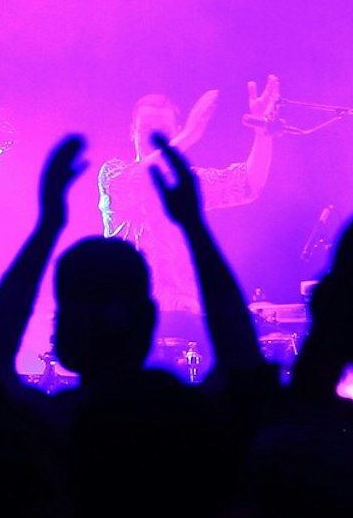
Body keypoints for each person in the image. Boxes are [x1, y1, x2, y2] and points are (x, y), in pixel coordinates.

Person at [96, 78, 280, 374]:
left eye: (163, 131)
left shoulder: (188, 182)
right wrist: (190, 136)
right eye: (145, 130)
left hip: (186, 322)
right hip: (127, 320)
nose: (153, 136)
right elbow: (137, 182)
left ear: (175, 131)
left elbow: (248, 185)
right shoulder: (113, 174)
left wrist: (263, 133)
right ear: (132, 132)